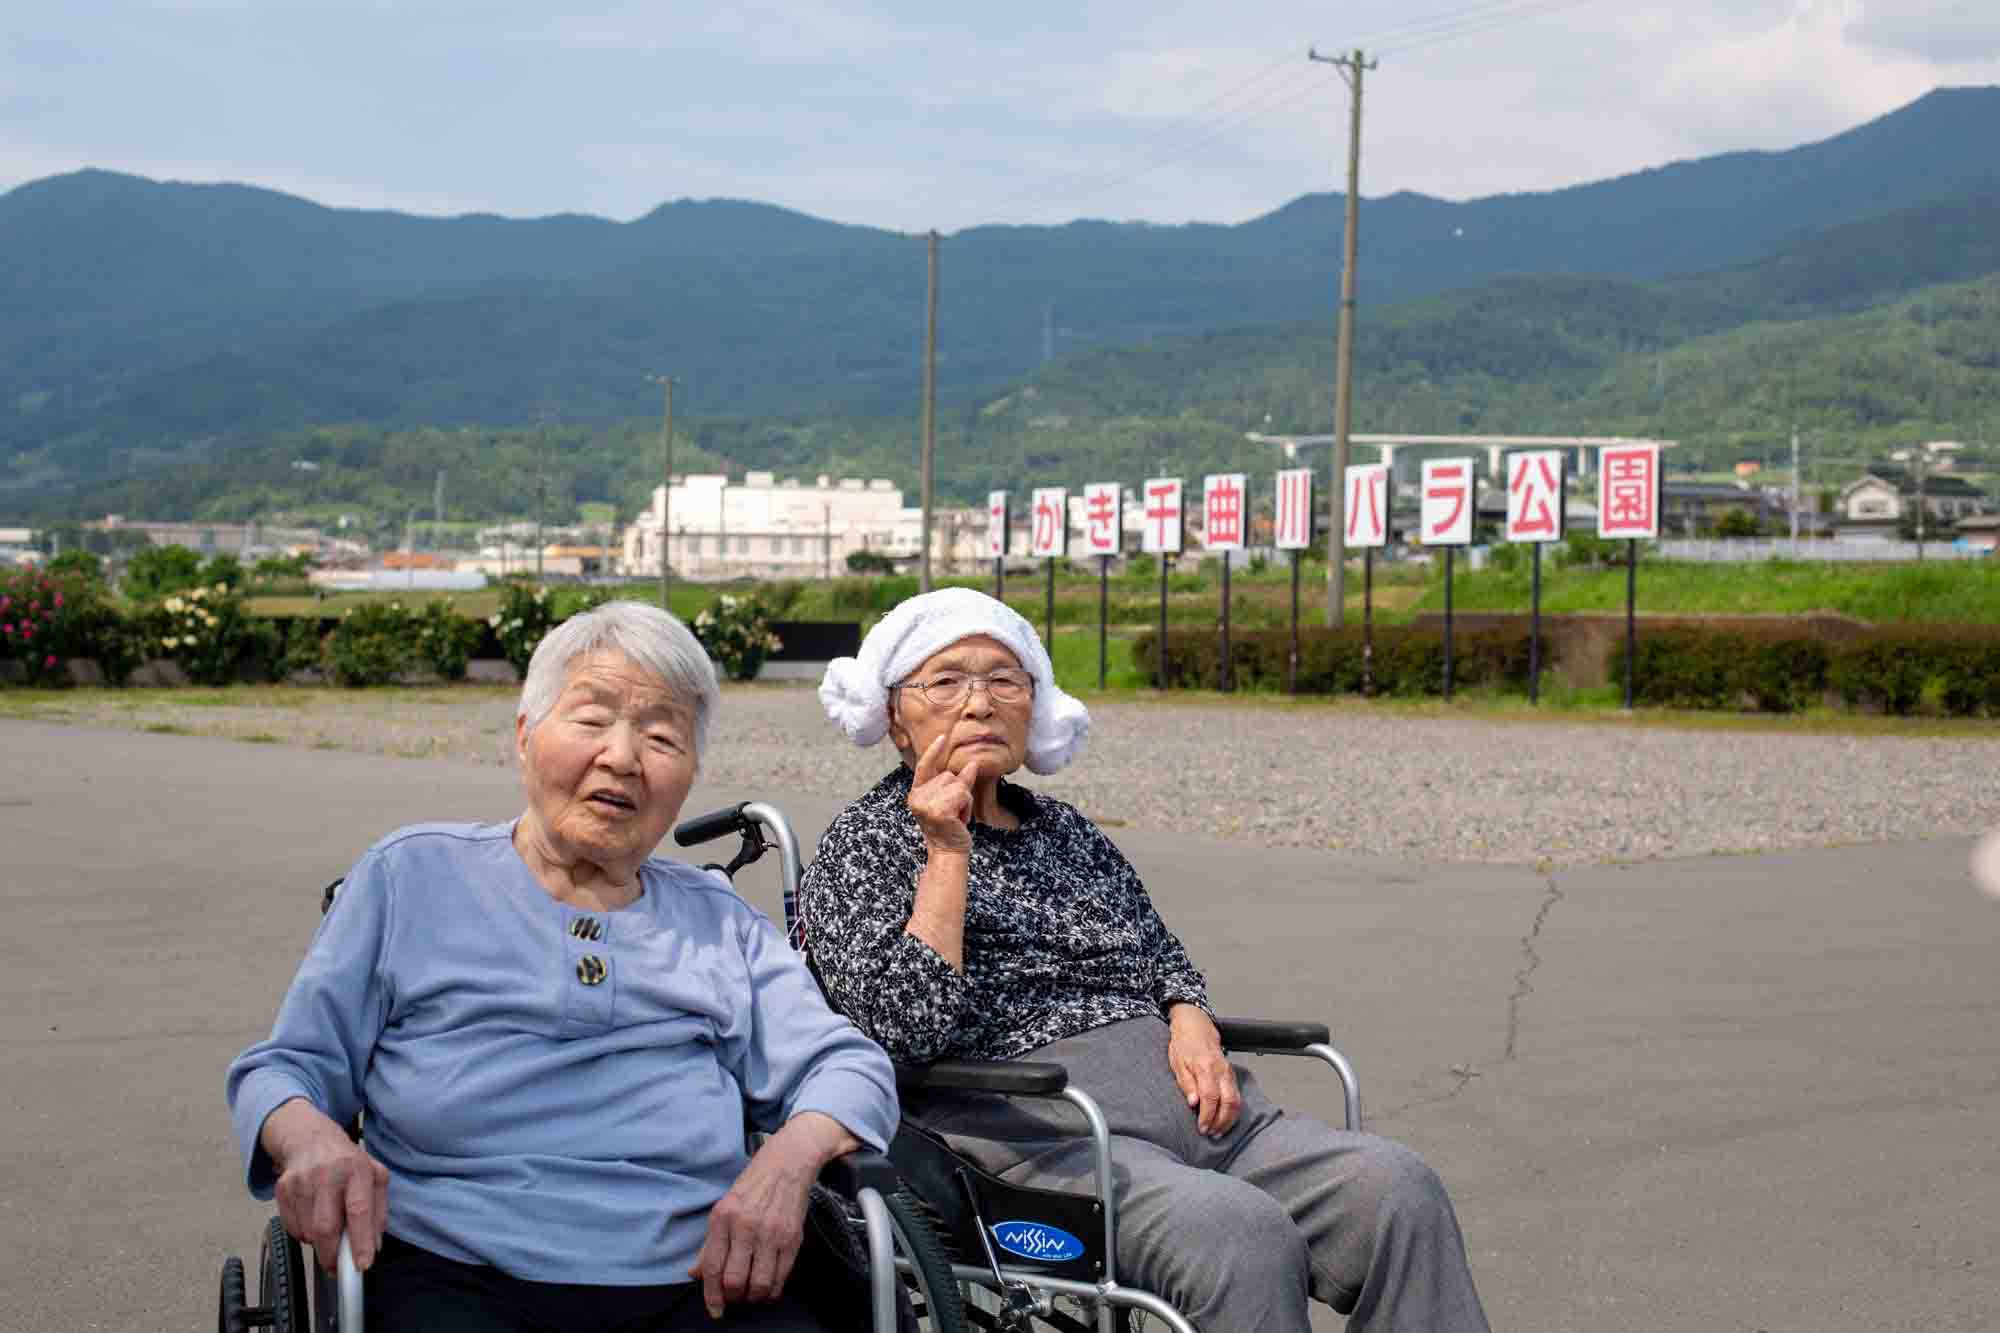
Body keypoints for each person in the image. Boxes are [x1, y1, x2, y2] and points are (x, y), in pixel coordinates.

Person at [801, 587, 1490, 1333]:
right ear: (897, 718)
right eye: (947, 681)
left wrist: (1190, 1013)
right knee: (1240, 1234)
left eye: (1004, 679)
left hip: (1205, 1111)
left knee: (1398, 1192)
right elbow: (903, 1032)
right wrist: (945, 852)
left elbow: (1160, 953)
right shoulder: (864, 845)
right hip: (1043, 1131)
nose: (980, 703)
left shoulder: (1067, 832)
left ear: (1035, 704)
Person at [227, 601, 898, 1333]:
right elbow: (283, 1067)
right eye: (591, 719)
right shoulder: (411, 876)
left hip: (697, 1278)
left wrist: (786, 1164)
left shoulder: (718, 919)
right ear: (524, 736)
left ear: (690, 773)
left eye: (662, 735)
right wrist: (310, 1135)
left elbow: (849, 1066)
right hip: (455, 1272)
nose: (622, 756)